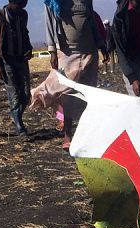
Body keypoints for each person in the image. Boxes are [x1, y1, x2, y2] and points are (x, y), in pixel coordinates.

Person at [31, 0, 108, 149]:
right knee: (67, 93)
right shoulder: (53, 1)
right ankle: (67, 134)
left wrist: (101, 44)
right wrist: (52, 50)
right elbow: (49, 23)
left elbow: (91, 19)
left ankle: (85, 132)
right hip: (68, 52)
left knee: (88, 93)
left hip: (89, 51)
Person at [0, 0, 34, 135]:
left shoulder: (23, 15)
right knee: (14, 94)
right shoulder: (0, 15)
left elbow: (25, 33)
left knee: (26, 94)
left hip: (21, 59)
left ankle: (16, 116)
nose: (24, 5)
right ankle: (19, 125)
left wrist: (29, 48)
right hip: (7, 60)